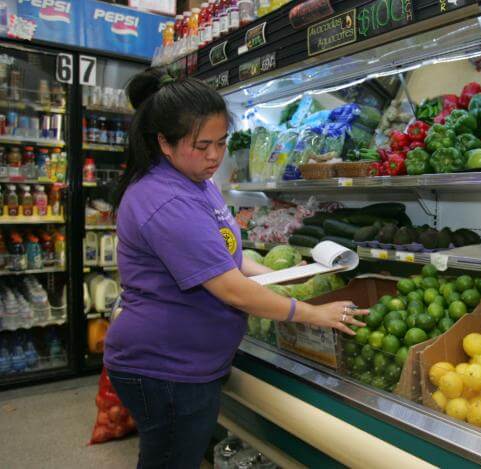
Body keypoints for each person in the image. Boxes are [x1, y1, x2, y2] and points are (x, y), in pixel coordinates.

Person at [103, 68, 367, 469]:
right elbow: (230, 289)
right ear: (164, 143)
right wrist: (311, 313)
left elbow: (226, 256)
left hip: (186, 361)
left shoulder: (196, 180)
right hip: (165, 366)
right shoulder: (165, 201)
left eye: (221, 143)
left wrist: (285, 274)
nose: (215, 156)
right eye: (202, 145)